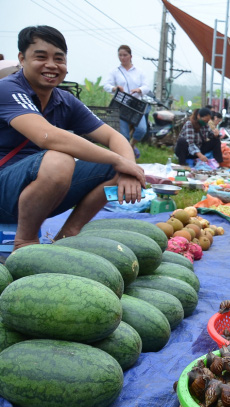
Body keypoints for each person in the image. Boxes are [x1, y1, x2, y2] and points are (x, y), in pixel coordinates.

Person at [0, 26, 145, 251]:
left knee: (115, 167)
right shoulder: (7, 89)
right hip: (4, 190)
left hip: (43, 195)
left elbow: (113, 136)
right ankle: (25, 243)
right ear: (22, 58)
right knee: (60, 160)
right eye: (41, 57)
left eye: (59, 58)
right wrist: (120, 161)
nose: (51, 65)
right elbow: (46, 136)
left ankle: (66, 238)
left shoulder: (64, 100)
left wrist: (129, 169)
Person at [103, 45, 150, 159]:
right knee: (123, 135)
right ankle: (127, 157)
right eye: (120, 55)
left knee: (142, 129)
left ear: (130, 56)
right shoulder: (115, 71)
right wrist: (114, 88)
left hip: (136, 105)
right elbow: (106, 85)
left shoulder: (139, 71)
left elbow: (146, 86)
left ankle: (132, 146)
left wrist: (139, 90)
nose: (122, 58)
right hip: (121, 104)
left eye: (125, 55)